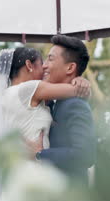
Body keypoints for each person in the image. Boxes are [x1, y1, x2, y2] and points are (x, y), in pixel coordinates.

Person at [0, 46, 91, 201]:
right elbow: (77, 91)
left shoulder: (11, 95)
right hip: (35, 173)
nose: (44, 68)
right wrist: (82, 83)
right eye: (42, 62)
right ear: (29, 65)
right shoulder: (29, 89)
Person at [26, 35, 97, 185]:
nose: (44, 65)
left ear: (70, 68)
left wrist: (40, 155)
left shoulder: (76, 105)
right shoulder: (52, 102)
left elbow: (86, 155)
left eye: (50, 59)